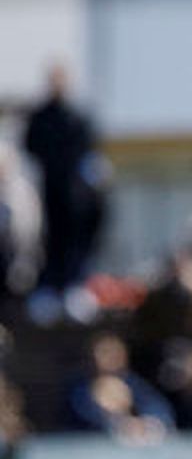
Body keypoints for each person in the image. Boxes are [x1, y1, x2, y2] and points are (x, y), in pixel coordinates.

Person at [23, 63, 107, 293]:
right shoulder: (40, 116)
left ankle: (75, 285)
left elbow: (89, 150)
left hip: (76, 192)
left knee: (76, 239)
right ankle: (51, 286)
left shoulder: (78, 115)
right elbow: (30, 145)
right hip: (49, 189)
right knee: (51, 238)